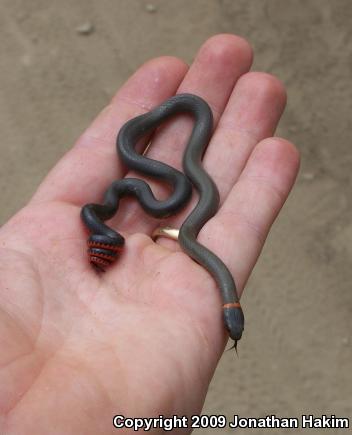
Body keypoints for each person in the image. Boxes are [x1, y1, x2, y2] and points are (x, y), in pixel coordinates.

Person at [0, 34, 299, 434]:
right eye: (230, 320)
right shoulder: (129, 204)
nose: (228, 327)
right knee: (163, 191)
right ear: (232, 308)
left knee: (177, 189)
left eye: (230, 323)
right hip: (127, 207)